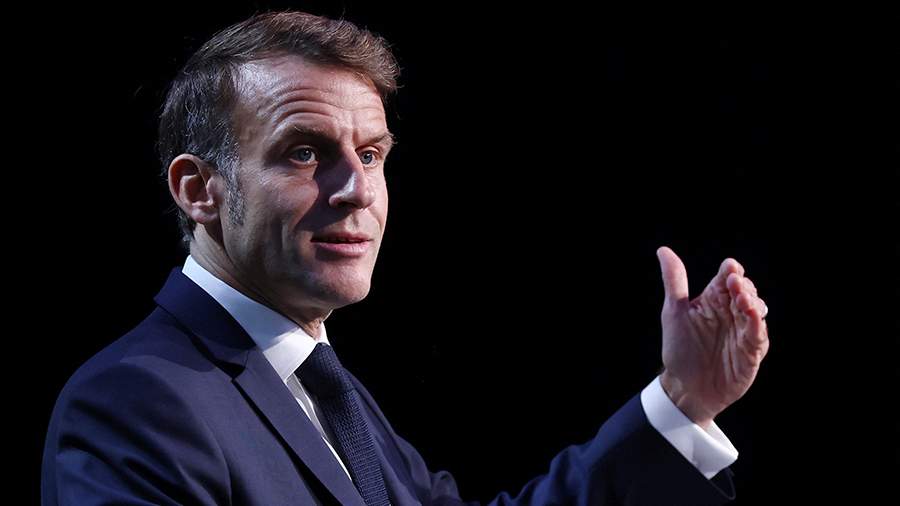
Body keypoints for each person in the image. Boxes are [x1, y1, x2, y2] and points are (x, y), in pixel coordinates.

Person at [40, 11, 770, 506]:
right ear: (200, 190)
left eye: (370, 154)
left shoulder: (327, 391)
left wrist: (682, 402)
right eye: (305, 153)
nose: (358, 190)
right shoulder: (132, 404)